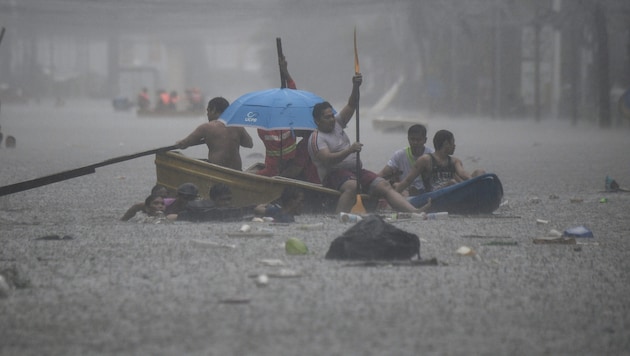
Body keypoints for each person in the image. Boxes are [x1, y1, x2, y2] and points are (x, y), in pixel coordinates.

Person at [307, 73, 430, 214]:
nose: (331, 119)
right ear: (317, 121)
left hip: (355, 171)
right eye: (327, 117)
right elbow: (327, 159)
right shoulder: (316, 138)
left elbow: (352, 105)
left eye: (332, 116)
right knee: (352, 186)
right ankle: (339, 218)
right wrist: (350, 150)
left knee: (384, 185)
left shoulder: (337, 123)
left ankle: (415, 212)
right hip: (333, 175)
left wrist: (356, 86)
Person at [394, 129, 485, 200]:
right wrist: (394, 196)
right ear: (446, 144)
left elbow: (463, 174)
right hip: (434, 195)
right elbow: (408, 180)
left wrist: (473, 182)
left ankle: (478, 196)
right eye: (453, 143)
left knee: (480, 172)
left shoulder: (455, 161)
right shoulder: (425, 160)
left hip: (454, 189)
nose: (455, 146)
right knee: (452, 182)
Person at [175, 97, 253, 170]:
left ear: (214, 110)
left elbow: (184, 144)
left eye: (208, 111)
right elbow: (249, 144)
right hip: (236, 172)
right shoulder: (237, 126)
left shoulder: (206, 127)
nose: (207, 114)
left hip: (216, 170)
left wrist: (179, 143)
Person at [256, 56, 298, 177]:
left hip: (272, 170)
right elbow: (293, 94)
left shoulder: (261, 127)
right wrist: (285, 72)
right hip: (288, 167)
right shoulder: (290, 121)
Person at [378, 124, 434, 196]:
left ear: (425, 140)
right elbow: (383, 173)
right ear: (408, 139)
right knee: (395, 185)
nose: (415, 143)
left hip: (427, 191)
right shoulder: (399, 155)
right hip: (404, 190)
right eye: (412, 139)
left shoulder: (432, 155)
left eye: (418, 140)